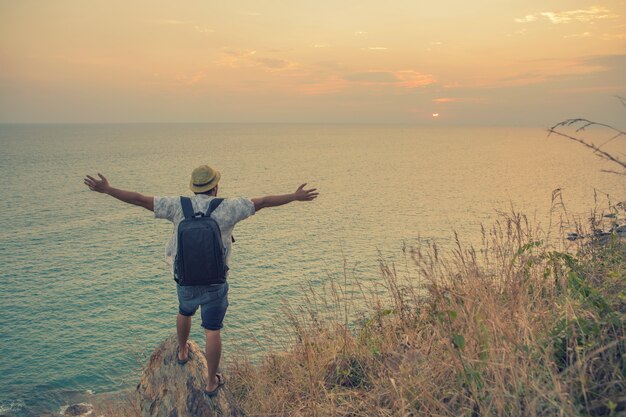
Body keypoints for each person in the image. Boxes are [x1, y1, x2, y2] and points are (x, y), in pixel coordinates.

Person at [83, 165, 318, 396]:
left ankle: (183, 352)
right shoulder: (230, 207)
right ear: (215, 187)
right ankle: (210, 383)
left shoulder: (177, 205)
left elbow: (140, 199)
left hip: (185, 278)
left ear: (193, 187)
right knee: (212, 330)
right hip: (216, 282)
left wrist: (109, 189)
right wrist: (294, 196)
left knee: (185, 311)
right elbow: (265, 201)